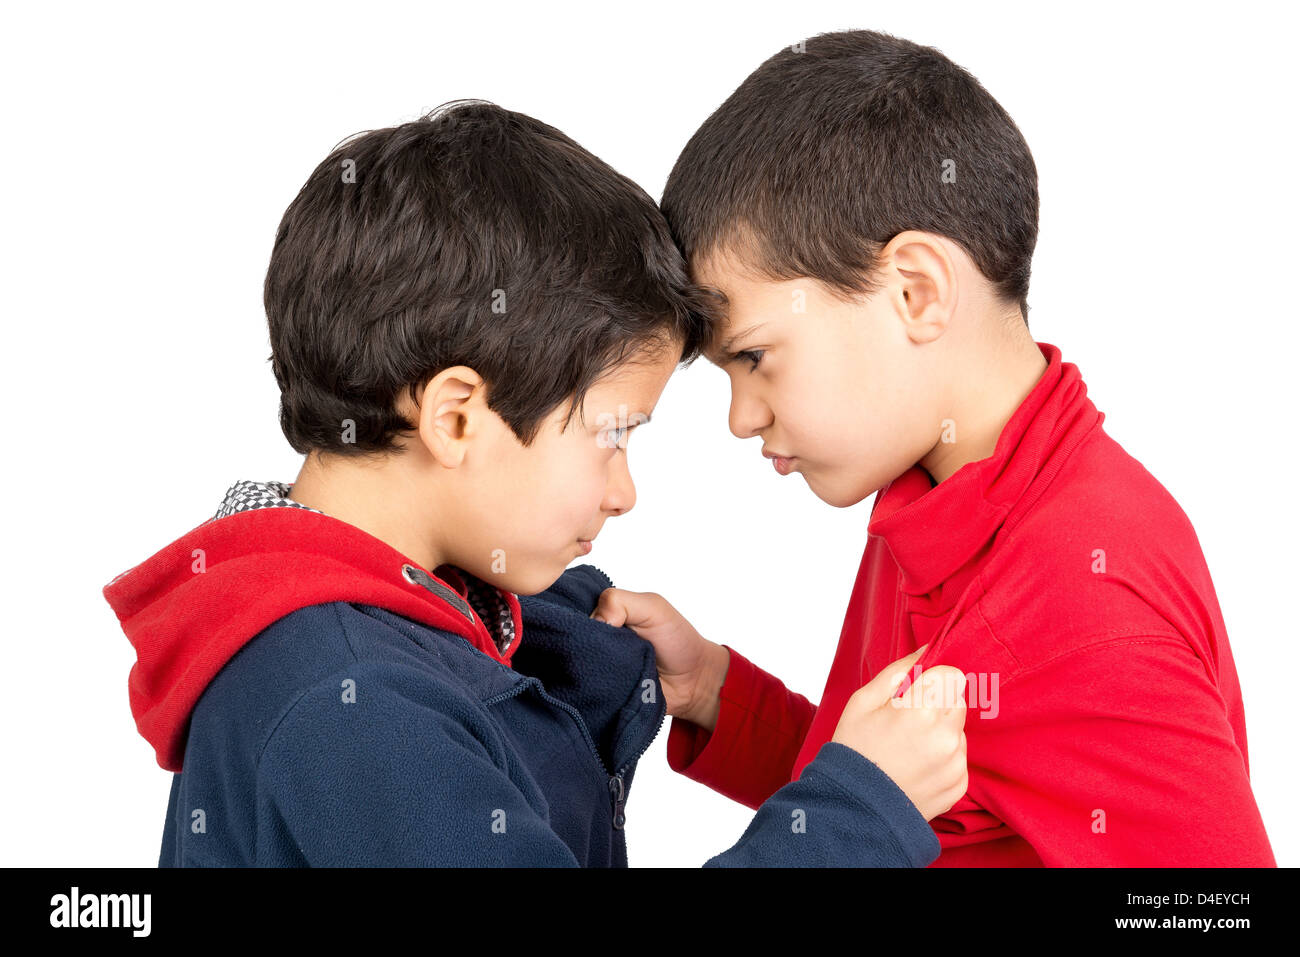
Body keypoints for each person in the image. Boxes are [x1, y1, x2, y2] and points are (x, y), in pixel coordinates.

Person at [103, 100, 967, 867]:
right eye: (613, 435)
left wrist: (620, 667)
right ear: (456, 419)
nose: (626, 491)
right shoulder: (350, 707)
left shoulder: (410, 627)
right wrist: (859, 816)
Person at [592, 29, 1275, 866]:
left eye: (755, 357)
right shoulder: (945, 487)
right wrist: (718, 694)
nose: (740, 417)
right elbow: (908, 792)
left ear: (915, 291)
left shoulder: (1082, 603)